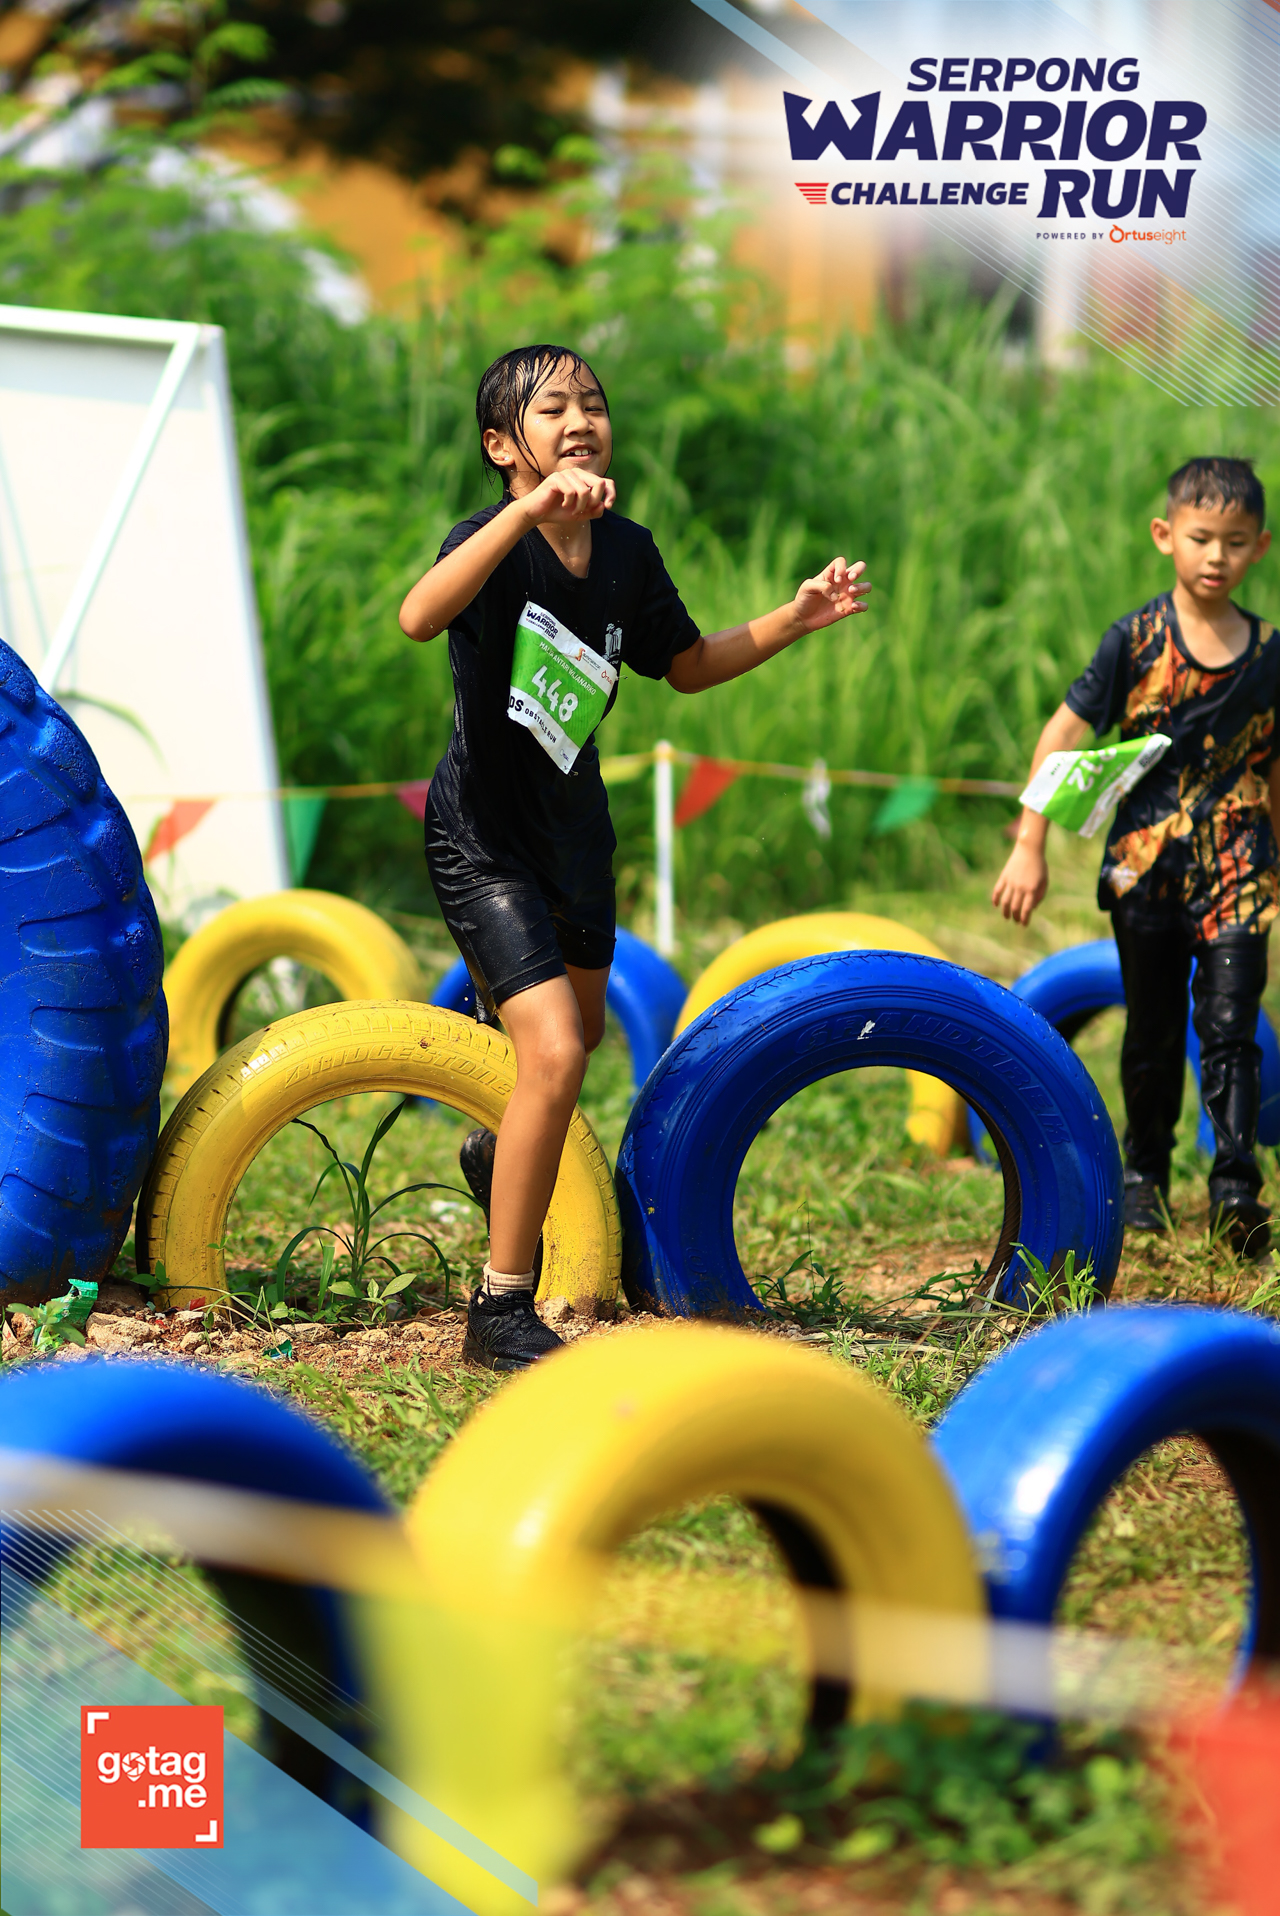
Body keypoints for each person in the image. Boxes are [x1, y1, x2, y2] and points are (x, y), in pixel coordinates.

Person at [399, 344, 870, 1368]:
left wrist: (794, 618)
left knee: (572, 1046)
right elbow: (418, 615)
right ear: (502, 446)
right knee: (554, 1054)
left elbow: (686, 666)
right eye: (552, 408)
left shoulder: (627, 552)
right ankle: (498, 1308)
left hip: (575, 838)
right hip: (482, 840)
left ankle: (495, 1152)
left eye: (594, 404)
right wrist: (525, 513)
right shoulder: (487, 541)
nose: (580, 421)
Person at [992, 456, 1278, 1257]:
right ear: (1165, 536)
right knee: (1152, 1030)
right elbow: (1063, 732)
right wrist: (1030, 843)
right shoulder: (1135, 639)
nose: (1216, 556)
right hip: (1145, 869)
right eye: (1201, 538)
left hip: (1240, 866)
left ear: (1260, 547)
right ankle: (1144, 1174)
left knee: (1230, 1024)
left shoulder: (1270, 654)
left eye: (1235, 541)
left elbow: (1275, 764)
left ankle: (1235, 1187)